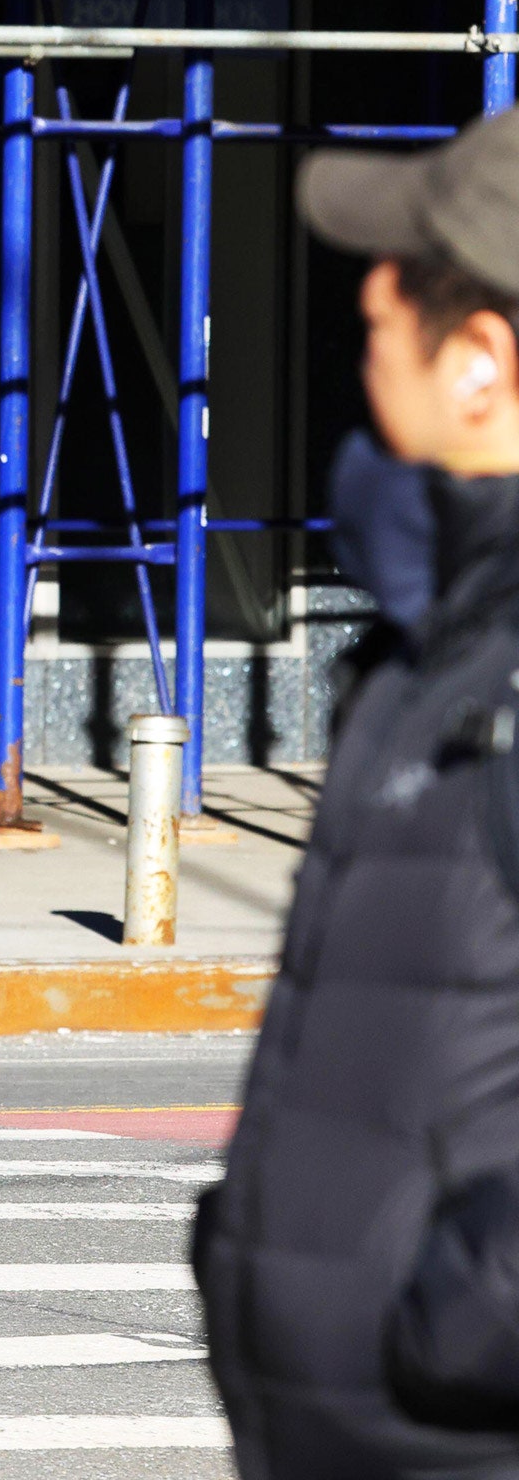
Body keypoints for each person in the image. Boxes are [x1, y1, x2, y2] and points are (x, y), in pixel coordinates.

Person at [196, 106, 519, 1476]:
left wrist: (460, 1318)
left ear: (484, 364)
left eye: (400, 298)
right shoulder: (432, 649)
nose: (367, 303)